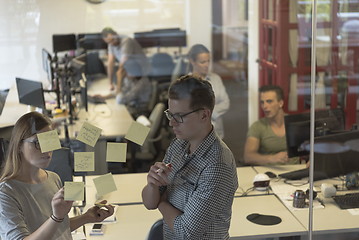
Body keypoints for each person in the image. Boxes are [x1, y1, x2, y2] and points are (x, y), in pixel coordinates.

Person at [142, 75, 238, 239]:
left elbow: (186, 233)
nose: (172, 123)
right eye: (170, 115)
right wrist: (152, 186)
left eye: (179, 116)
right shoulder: (179, 145)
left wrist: (163, 202)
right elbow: (149, 203)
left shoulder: (217, 164)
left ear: (204, 115)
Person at [0, 111, 114, 239]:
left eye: (50, 141)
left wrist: (86, 217)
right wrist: (56, 217)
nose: (47, 150)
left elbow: (57, 228)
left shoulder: (53, 178)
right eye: (38, 142)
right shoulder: (6, 193)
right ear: (19, 145)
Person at [244, 85, 300, 165]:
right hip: (269, 173)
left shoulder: (295, 123)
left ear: (280, 103)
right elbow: (248, 157)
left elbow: (313, 147)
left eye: (269, 101)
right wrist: (272, 158)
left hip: (295, 171)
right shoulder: (257, 126)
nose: (265, 106)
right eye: (262, 102)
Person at [187, 44, 230, 139]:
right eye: (202, 62)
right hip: (195, 135)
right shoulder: (185, 83)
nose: (207, 65)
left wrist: (208, 114)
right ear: (192, 61)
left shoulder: (216, 79)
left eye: (208, 61)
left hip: (216, 133)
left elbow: (225, 103)